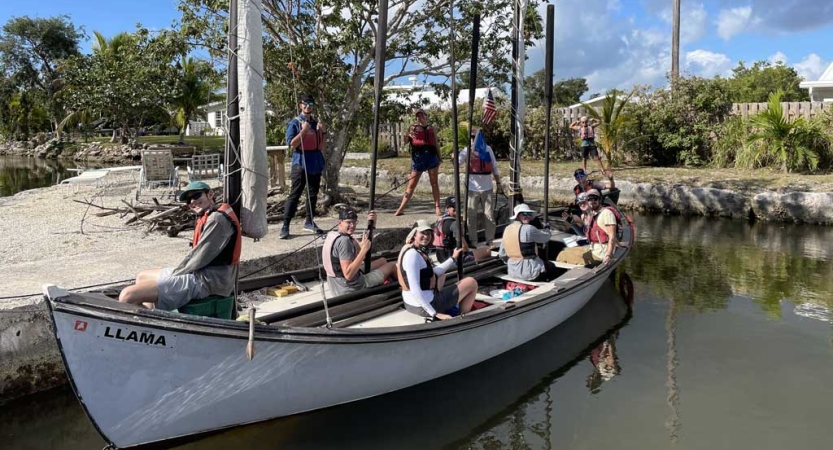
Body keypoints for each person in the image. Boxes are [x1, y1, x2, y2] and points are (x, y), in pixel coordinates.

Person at [119, 181, 242, 311]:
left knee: (127, 296)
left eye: (196, 196)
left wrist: (175, 274)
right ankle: (153, 316)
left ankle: (151, 322)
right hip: (200, 273)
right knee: (142, 276)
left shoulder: (217, 220)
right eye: (188, 200)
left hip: (208, 281)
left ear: (210, 194)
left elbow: (199, 257)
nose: (192, 202)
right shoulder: (209, 215)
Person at [398, 220, 479, 320]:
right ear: (414, 235)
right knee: (471, 282)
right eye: (422, 233)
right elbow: (415, 289)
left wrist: (453, 258)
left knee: (442, 276)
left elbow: (434, 272)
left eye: (428, 233)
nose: (426, 236)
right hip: (426, 306)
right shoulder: (413, 255)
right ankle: (463, 319)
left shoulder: (414, 250)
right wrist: (435, 314)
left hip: (411, 304)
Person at [322, 208, 397, 296]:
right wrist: (364, 250)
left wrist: (372, 224)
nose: (352, 225)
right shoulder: (344, 241)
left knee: (383, 260)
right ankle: (403, 288)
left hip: (337, 285)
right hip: (351, 287)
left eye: (354, 222)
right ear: (339, 222)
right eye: (349, 222)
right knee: (391, 266)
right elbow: (348, 275)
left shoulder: (333, 235)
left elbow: (362, 257)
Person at [281, 94, 326, 239]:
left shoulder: (316, 123)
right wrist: (304, 130)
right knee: (295, 194)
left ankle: (309, 222)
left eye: (311, 104)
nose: (308, 106)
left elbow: (322, 146)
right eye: (305, 104)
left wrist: (323, 132)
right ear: (301, 105)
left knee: (312, 195)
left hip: (315, 161)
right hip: (300, 162)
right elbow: (292, 144)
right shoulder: (294, 123)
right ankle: (285, 226)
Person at [458, 128, 502, 245]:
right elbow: (457, 163)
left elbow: (494, 167)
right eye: (472, 138)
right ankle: (473, 240)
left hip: (487, 188)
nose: (474, 140)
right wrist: (454, 157)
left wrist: (498, 183)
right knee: (471, 215)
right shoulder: (467, 150)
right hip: (472, 189)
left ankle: (490, 240)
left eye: (475, 137)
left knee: (489, 215)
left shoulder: (488, 149)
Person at [394, 108, 442, 217]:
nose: (419, 117)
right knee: (411, 185)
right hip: (418, 159)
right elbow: (404, 143)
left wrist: (439, 157)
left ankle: (437, 207)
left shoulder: (431, 128)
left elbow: (436, 144)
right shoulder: (413, 128)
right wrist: (407, 136)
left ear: (426, 116)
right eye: (418, 116)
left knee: (434, 183)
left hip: (431, 157)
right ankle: (401, 208)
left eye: (421, 115)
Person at [498, 204, 558, 282]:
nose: (528, 216)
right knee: (551, 266)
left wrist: (514, 261)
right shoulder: (529, 228)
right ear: (518, 215)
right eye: (525, 214)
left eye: (529, 214)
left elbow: (502, 254)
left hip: (512, 272)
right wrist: (547, 229)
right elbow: (545, 238)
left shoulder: (507, 229)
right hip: (531, 273)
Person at [433, 196, 492, 264]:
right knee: (487, 251)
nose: (457, 209)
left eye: (458, 206)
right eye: (453, 207)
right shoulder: (454, 224)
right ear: (447, 208)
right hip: (453, 259)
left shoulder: (440, 220)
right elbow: (464, 247)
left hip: (441, 258)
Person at [585, 189, 619, 265]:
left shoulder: (607, 213)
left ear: (600, 199)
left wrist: (608, 255)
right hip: (593, 249)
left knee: (564, 256)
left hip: (601, 254)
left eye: (595, 198)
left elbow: (612, 237)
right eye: (589, 199)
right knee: (565, 252)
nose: (592, 201)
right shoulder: (592, 213)